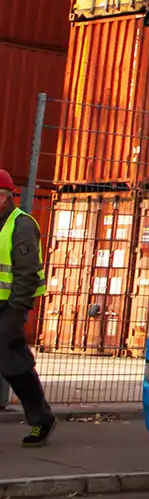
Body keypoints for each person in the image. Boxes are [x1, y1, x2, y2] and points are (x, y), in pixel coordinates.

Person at [0, 171, 52, 446]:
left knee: (15, 365)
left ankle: (41, 419)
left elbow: (28, 273)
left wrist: (15, 310)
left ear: (8, 197)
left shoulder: (20, 225)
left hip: (9, 306)